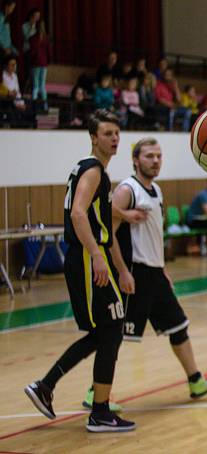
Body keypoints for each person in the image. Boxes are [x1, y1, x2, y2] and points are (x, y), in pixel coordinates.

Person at [80, 137, 207, 409]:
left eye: (159, 156)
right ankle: (95, 391)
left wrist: (163, 268)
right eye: (149, 156)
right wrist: (123, 272)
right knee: (115, 335)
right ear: (136, 160)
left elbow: (153, 235)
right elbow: (109, 235)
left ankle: (196, 380)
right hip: (135, 274)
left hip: (155, 273)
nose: (155, 161)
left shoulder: (157, 190)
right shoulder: (128, 189)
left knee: (178, 325)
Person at [24, 110, 137, 432]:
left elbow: (104, 227)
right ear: (93, 137)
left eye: (117, 133)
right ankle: (99, 411)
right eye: (106, 133)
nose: (114, 138)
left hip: (93, 255)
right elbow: (77, 214)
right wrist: (97, 257)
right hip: (87, 257)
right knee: (112, 328)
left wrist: (121, 269)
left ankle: (46, 387)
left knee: (104, 331)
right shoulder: (93, 170)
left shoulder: (93, 170)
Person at [28, 20, 51, 108]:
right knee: (42, 86)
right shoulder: (46, 38)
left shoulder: (32, 38)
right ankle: (45, 106)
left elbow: (32, 52)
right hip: (43, 64)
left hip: (35, 63)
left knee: (35, 86)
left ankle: (34, 105)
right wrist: (47, 61)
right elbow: (48, 52)